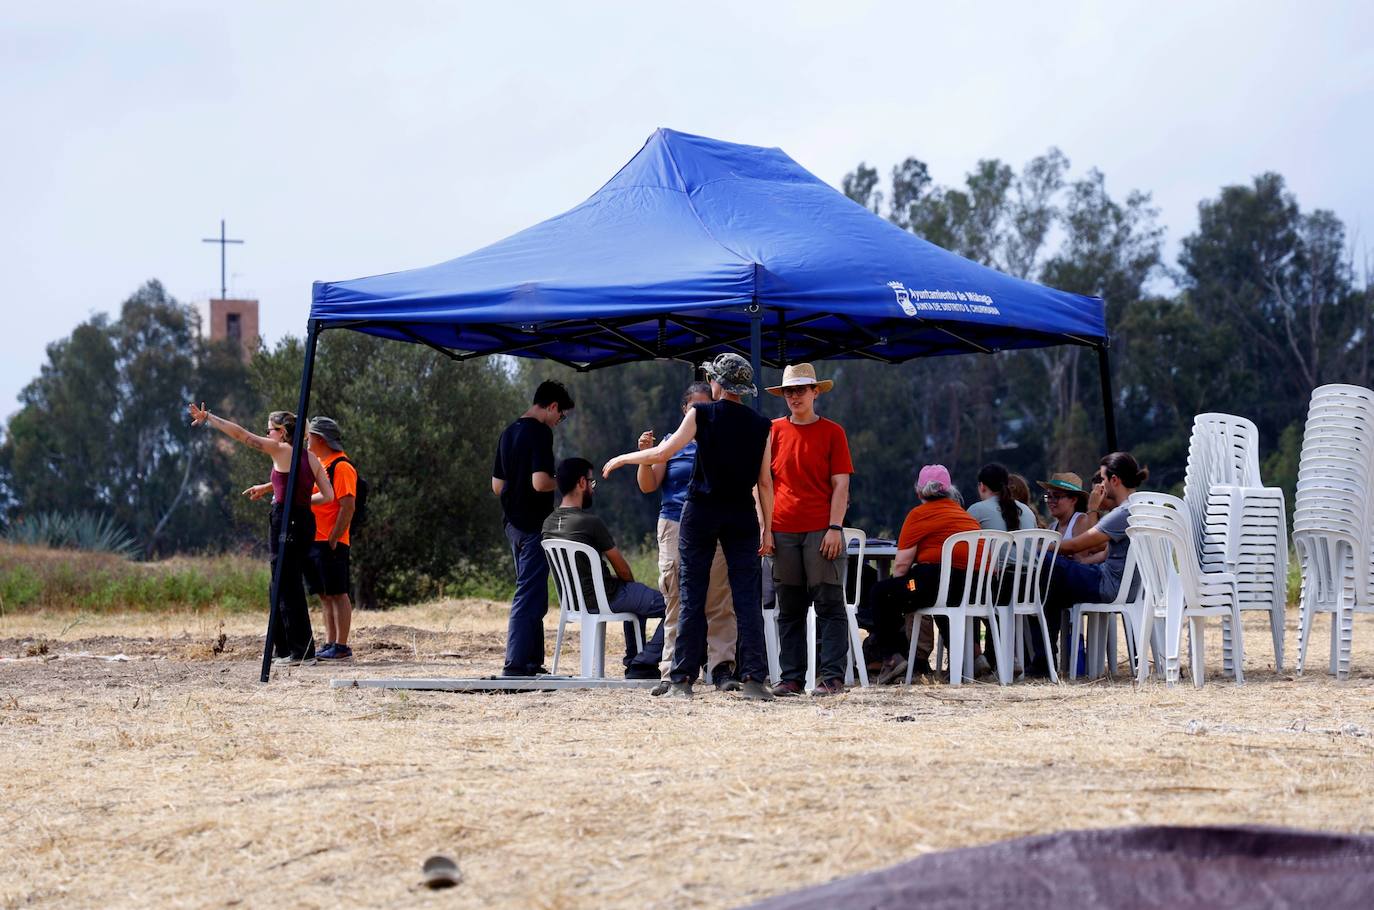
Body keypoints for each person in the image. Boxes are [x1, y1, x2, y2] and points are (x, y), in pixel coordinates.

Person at [603, 352, 775, 701]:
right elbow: (766, 483)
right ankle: (755, 678)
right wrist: (768, 529)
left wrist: (623, 458)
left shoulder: (701, 413)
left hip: (701, 512)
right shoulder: (762, 425)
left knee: (692, 594)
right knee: (744, 599)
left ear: (717, 384)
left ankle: (682, 679)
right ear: (742, 389)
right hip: (741, 514)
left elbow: (662, 454)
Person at [188, 403, 334, 665]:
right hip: (304, 522)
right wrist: (286, 496)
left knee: (286, 584)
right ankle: (285, 649)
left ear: (282, 432)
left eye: (269, 430)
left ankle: (301, 652)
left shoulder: (280, 450)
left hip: (285, 521)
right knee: (280, 583)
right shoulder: (309, 457)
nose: (266, 435)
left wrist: (209, 417)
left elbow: (242, 436)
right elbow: (328, 495)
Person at [635, 381, 740, 694]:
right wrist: (645, 456)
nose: (701, 412)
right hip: (675, 523)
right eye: (695, 407)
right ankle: (672, 672)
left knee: (719, 597)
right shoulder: (670, 444)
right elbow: (648, 485)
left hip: (714, 522)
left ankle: (722, 668)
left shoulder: (722, 442)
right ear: (685, 410)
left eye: (707, 406)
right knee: (677, 598)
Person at [764, 363, 854, 697]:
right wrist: (766, 529)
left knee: (829, 604)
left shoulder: (833, 432)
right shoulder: (772, 431)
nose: (794, 396)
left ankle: (831, 678)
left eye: (801, 389)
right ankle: (791, 678)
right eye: (789, 391)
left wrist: (834, 527)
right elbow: (763, 484)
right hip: (782, 529)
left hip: (820, 529)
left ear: (815, 392)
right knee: (789, 609)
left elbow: (840, 485)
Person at [542, 458, 666, 678]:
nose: (592, 488)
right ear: (582, 483)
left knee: (636, 598)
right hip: (607, 596)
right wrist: (632, 587)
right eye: (592, 483)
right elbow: (622, 568)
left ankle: (634, 660)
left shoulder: (548, 523)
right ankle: (644, 663)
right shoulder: (589, 522)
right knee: (678, 607)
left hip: (574, 602)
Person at [1032, 452, 1149, 677]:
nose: (1100, 485)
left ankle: (1043, 661)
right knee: (1052, 587)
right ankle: (1044, 661)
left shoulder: (1123, 513)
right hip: (1127, 586)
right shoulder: (1142, 506)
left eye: (1103, 479)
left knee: (1047, 564)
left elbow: (1074, 546)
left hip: (1108, 584)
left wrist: (1036, 548)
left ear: (1115, 480)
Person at [859, 465, 980, 683]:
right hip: (971, 587)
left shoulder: (919, 515)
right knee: (928, 599)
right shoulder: (965, 516)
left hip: (930, 583)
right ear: (950, 491)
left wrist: (901, 593)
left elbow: (901, 567)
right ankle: (967, 659)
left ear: (919, 492)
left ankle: (892, 658)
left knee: (882, 592)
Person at [492, 380, 575, 677]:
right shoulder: (540, 433)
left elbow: (497, 485)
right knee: (529, 594)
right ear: (552, 406)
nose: (558, 421)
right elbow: (540, 482)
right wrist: (567, 482)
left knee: (535, 592)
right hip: (534, 525)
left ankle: (531, 662)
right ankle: (516, 663)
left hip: (512, 524)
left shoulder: (509, 431)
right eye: (561, 415)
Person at [303, 416, 357, 661]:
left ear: (320, 439)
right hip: (315, 539)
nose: (307, 440)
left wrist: (335, 536)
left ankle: (342, 645)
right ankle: (330, 642)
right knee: (325, 595)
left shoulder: (341, 466)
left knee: (338, 592)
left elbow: (348, 505)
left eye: (310, 436)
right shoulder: (321, 464)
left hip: (331, 541)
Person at [1038, 472, 1100, 561]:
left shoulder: (1081, 520)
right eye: (1049, 496)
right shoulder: (1052, 527)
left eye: (1056, 496)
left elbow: (1080, 558)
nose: (1051, 501)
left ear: (1073, 500)